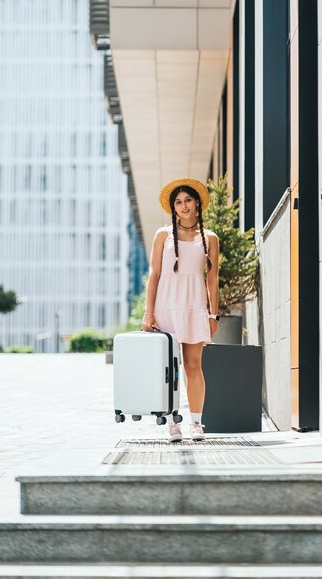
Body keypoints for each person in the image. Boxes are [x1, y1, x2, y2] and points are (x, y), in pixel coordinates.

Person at [141, 178, 220, 443]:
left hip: (195, 307)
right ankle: (173, 425)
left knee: (193, 366)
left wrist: (213, 314)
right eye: (178, 202)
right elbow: (154, 274)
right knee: (169, 369)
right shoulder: (162, 235)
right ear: (173, 208)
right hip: (166, 307)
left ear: (197, 203)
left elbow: (213, 279)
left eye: (187, 200)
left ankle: (196, 423)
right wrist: (148, 312)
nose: (183, 206)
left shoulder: (210, 238)